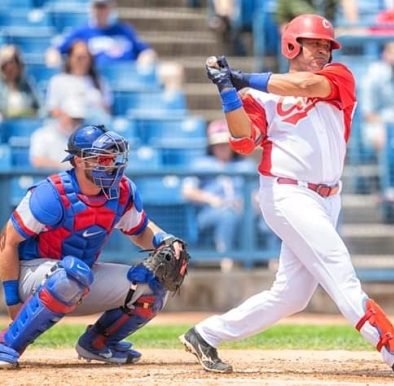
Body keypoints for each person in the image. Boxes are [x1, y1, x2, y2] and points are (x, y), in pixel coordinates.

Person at [179, 14, 394, 378]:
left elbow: (304, 84)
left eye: (326, 45)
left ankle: (205, 334)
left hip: (327, 197)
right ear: (292, 45)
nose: (322, 51)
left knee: (292, 295)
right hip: (286, 194)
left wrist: (243, 78)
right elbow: (243, 142)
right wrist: (229, 92)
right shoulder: (257, 96)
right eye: (314, 44)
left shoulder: (338, 77)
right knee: (339, 267)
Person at [0, 125, 189, 368]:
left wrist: (165, 240)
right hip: (33, 273)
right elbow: (7, 241)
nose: (109, 164)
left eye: (112, 158)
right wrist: (13, 302)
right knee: (71, 275)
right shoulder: (52, 193)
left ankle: (98, 344)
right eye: (101, 158)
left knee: (152, 283)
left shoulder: (120, 192)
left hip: (81, 277)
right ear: (78, 161)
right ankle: (8, 344)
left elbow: (140, 230)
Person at [182, 119, 255, 254]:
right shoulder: (201, 164)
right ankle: (226, 259)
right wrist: (211, 199)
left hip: (243, 209)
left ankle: (271, 261)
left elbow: (258, 192)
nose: (222, 147)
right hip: (210, 211)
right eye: (218, 144)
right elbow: (188, 191)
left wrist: (248, 202)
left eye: (225, 144)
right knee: (228, 215)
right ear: (211, 146)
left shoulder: (245, 165)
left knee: (265, 218)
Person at [46, 40, 112, 126]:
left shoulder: (100, 82)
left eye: (85, 57)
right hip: (66, 129)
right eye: (78, 57)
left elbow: (107, 109)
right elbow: (52, 109)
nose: (82, 61)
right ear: (70, 58)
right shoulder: (58, 81)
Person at [30, 98, 86, 169]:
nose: (76, 122)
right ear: (62, 114)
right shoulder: (42, 134)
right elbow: (37, 161)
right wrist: (65, 167)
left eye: (79, 119)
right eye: (73, 118)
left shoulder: (83, 138)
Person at [0, 45, 39, 119]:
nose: (9, 67)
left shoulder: (27, 84)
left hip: (26, 125)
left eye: (12, 62)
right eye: (5, 64)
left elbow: (39, 108)